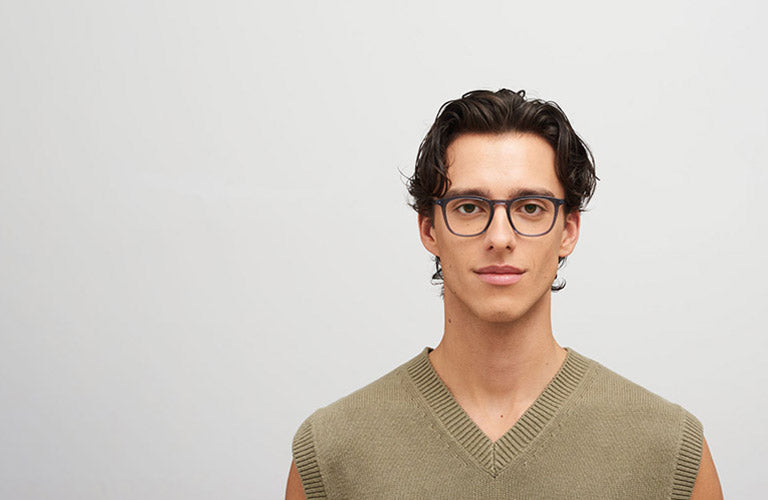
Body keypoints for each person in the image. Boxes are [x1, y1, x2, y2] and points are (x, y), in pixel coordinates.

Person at [285, 89, 723, 499]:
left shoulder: (668, 450)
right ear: (429, 229)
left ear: (568, 231)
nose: (499, 237)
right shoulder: (332, 452)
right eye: (469, 207)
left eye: (530, 208)